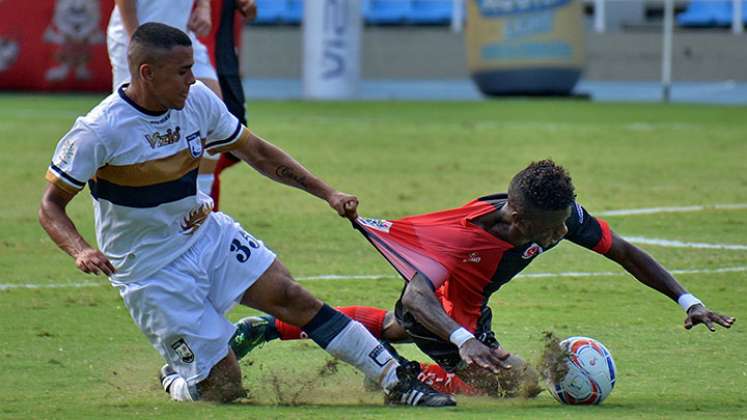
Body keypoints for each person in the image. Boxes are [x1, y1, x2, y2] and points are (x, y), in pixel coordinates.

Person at [39, 22, 455, 407]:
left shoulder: (197, 100)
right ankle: (178, 379)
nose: (192, 79)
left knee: (292, 296)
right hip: (151, 272)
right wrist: (79, 249)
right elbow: (50, 205)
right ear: (147, 73)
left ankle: (394, 380)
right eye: (182, 71)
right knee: (223, 387)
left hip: (205, 235)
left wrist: (327, 193)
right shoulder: (99, 131)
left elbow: (255, 151)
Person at [231, 159, 736, 396]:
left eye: (566, 221)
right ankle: (403, 375)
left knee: (390, 327)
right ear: (519, 221)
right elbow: (417, 296)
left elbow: (625, 252)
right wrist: (462, 339)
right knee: (520, 385)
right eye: (551, 227)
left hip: (468, 308)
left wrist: (687, 301)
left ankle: (267, 328)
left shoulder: (558, 217)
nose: (563, 233)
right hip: (438, 312)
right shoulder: (459, 239)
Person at [107, 0, 224, 196]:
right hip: (136, 41)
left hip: (183, 40)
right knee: (134, 126)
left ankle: (198, 207)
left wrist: (204, 8)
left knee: (215, 118)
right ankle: (133, 203)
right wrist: (136, 46)